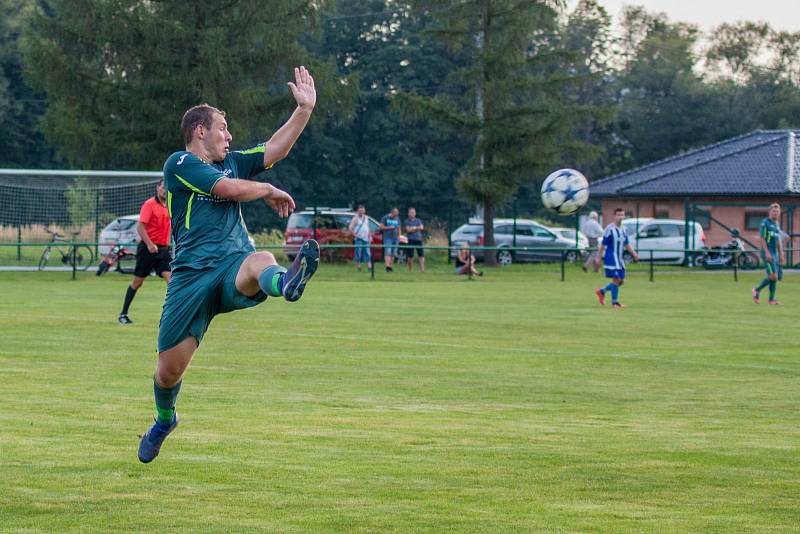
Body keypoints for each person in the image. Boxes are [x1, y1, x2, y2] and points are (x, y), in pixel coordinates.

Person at [137, 66, 319, 464]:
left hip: (231, 265)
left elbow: (275, 149)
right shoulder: (180, 163)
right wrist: (268, 189)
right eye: (223, 127)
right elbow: (226, 189)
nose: (229, 135)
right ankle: (164, 421)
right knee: (167, 373)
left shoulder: (234, 161)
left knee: (260, 260)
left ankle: (287, 283)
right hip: (190, 279)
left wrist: (303, 110)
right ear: (200, 130)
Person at [118, 179, 172, 324]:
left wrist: (168, 245)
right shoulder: (149, 204)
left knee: (172, 281)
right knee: (137, 282)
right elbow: (140, 227)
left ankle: (171, 316)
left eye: (167, 188)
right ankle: (123, 314)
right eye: (162, 187)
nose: (164, 190)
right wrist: (149, 244)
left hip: (163, 250)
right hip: (148, 249)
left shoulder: (169, 206)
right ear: (157, 188)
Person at [595, 208, 638, 308]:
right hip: (611, 258)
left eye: (622, 215)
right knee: (616, 279)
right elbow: (603, 245)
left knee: (621, 281)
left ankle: (601, 291)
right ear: (614, 216)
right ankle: (615, 303)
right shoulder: (609, 229)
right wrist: (599, 258)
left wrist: (634, 254)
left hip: (620, 259)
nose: (620, 217)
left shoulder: (624, 229)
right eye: (618, 215)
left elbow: (626, 243)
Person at [752, 202, 784, 305]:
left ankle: (771, 300)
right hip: (767, 254)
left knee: (774, 277)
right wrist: (767, 253)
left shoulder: (777, 224)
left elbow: (778, 240)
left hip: (775, 254)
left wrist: (781, 253)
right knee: (773, 276)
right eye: (773, 211)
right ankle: (757, 290)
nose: (775, 213)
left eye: (777, 211)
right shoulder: (765, 223)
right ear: (770, 212)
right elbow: (762, 239)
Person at [348, 204, 372, 271]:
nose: (361, 211)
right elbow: (350, 228)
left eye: (362, 210)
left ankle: (369, 267)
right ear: (358, 211)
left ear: (364, 210)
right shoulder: (355, 218)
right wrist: (354, 235)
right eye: (360, 210)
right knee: (358, 253)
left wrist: (369, 236)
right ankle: (358, 267)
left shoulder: (366, 218)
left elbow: (368, 228)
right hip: (358, 239)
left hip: (366, 238)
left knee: (367, 253)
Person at [404, 207, 425, 272]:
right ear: (408, 213)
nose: (413, 213)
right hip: (410, 239)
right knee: (410, 256)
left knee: (421, 255)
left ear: (415, 213)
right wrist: (416, 228)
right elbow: (408, 230)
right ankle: (410, 270)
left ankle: (422, 269)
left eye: (414, 212)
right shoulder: (406, 221)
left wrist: (414, 228)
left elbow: (422, 227)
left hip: (419, 239)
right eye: (411, 212)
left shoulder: (418, 220)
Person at [379, 207, 400, 272]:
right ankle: (387, 267)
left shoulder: (397, 218)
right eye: (395, 214)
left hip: (395, 238)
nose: (396, 215)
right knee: (388, 252)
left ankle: (390, 267)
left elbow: (399, 228)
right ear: (392, 212)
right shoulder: (385, 218)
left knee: (393, 253)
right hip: (387, 238)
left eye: (397, 214)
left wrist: (399, 237)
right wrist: (389, 227)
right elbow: (381, 227)